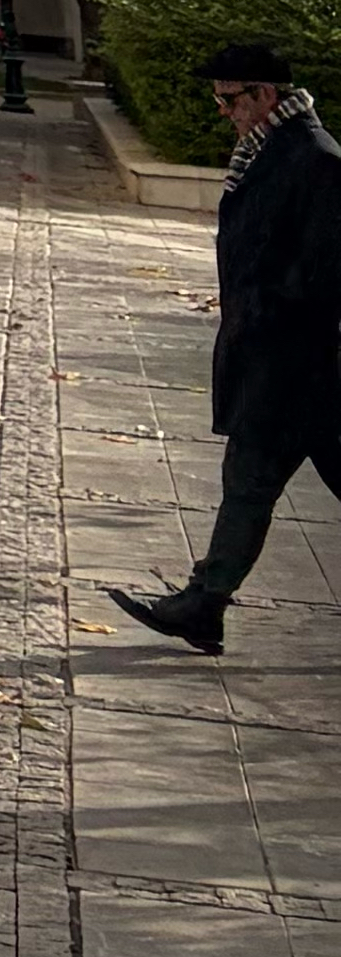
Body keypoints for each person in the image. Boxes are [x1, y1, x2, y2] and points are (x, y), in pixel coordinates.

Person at [113, 33, 341, 651]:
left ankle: (203, 604)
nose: (224, 112)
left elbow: (325, 271)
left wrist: (267, 310)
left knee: (250, 483)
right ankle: (203, 604)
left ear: (265, 95)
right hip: (271, 360)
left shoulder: (315, 158)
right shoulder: (266, 152)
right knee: (247, 484)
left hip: (300, 367)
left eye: (231, 100)